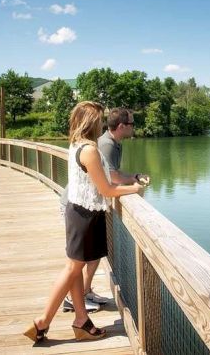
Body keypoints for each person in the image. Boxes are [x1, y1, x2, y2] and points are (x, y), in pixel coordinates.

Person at [24, 101, 144, 343]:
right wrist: (135, 188)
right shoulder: (89, 150)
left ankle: (81, 320)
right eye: (99, 120)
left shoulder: (76, 145)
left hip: (78, 211)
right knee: (71, 270)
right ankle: (42, 321)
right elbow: (107, 190)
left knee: (75, 270)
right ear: (92, 122)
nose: (102, 124)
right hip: (85, 217)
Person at [60, 108, 150, 311]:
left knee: (90, 257)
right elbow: (111, 181)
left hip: (87, 205)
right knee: (78, 262)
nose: (134, 127)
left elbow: (113, 175)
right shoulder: (104, 145)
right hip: (80, 205)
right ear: (121, 126)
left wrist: (134, 176)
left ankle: (84, 293)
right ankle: (69, 302)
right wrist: (134, 187)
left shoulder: (113, 143)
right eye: (132, 124)